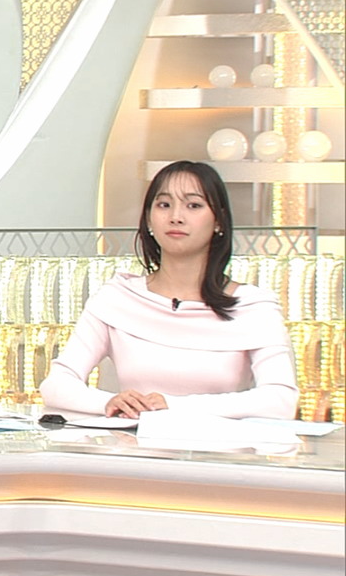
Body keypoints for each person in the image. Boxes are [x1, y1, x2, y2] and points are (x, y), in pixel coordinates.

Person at [40, 161, 298, 419]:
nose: (176, 217)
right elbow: (56, 384)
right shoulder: (118, 298)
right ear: (149, 218)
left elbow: (280, 400)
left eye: (193, 205)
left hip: (218, 444)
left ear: (218, 221)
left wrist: (173, 406)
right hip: (131, 441)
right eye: (164, 205)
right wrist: (109, 402)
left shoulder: (252, 307)